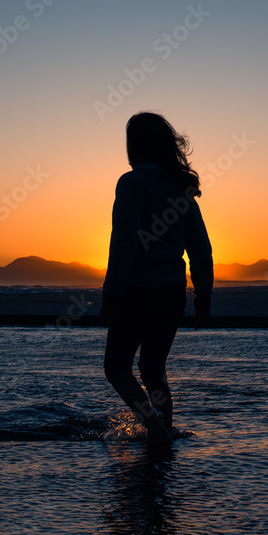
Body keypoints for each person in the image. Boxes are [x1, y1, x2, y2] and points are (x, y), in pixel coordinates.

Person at [101, 111, 213, 444]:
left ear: (134, 145)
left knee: (117, 368)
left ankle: (155, 429)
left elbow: (123, 241)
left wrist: (112, 293)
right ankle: (164, 432)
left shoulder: (131, 182)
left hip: (138, 291)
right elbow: (201, 248)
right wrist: (203, 295)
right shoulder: (181, 188)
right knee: (152, 370)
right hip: (172, 293)